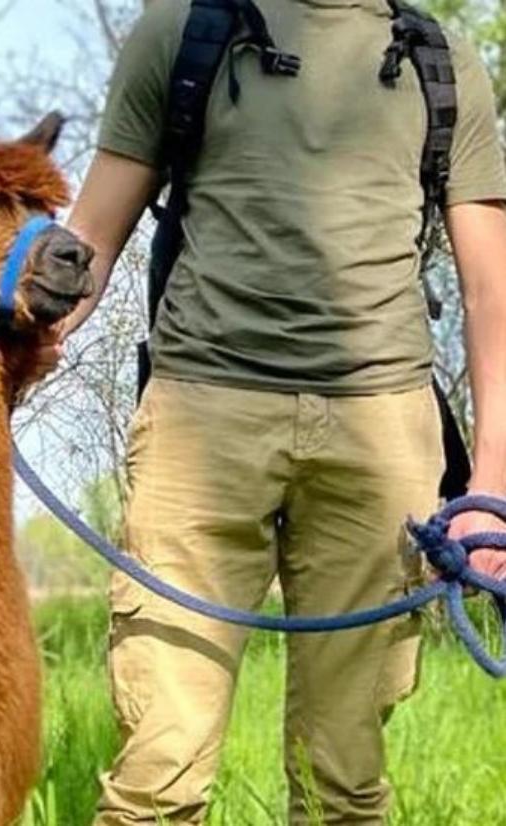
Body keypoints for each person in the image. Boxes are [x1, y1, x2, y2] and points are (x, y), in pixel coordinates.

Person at [30, 0, 506, 822]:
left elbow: (491, 289)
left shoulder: (444, 63)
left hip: (384, 431)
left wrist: (494, 475)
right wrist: (0, 367)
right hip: (200, 421)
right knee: (157, 779)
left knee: (345, 787)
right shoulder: (182, 33)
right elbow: (92, 243)